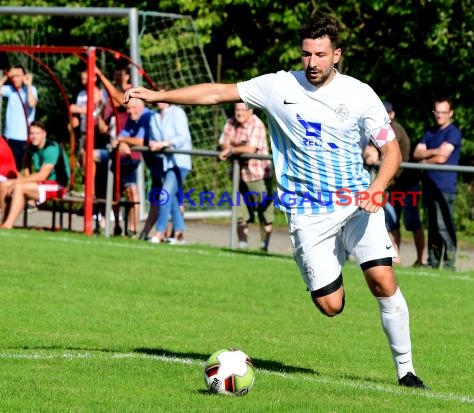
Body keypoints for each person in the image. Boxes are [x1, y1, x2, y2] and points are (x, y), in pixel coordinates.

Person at [124, 14, 428, 389]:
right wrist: (158, 96)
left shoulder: (360, 94)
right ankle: (330, 269)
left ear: (337, 55)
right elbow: (217, 92)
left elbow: (392, 150)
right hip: (306, 213)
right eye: (306, 54)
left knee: (382, 279)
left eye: (320, 54)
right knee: (331, 306)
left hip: (356, 204)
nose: (312, 63)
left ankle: (407, 371)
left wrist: (377, 187)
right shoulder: (277, 86)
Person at [363, 101, 425, 266]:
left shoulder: (393, 129)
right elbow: (369, 152)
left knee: (412, 223)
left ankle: (421, 259)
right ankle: (395, 256)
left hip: (407, 183)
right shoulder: (379, 129)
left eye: (387, 113)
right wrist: (371, 153)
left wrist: (374, 153)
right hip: (394, 185)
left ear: (392, 114)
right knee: (391, 222)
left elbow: (383, 151)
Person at [413, 97, 462, 271]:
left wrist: (426, 159)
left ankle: (449, 264)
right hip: (428, 186)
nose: (439, 116)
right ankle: (433, 262)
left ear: (450, 113)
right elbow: (417, 153)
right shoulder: (430, 132)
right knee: (432, 227)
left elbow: (443, 158)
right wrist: (433, 152)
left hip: (445, 187)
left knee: (444, 225)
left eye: (443, 112)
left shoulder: (453, 132)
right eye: (437, 112)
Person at [218, 102, 273, 251]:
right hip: (238, 174)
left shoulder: (257, 124)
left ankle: (264, 247)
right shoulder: (230, 122)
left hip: (258, 174)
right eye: (237, 109)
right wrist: (234, 148)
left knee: (264, 212)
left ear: (251, 111)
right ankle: (242, 246)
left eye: (243, 110)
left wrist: (231, 149)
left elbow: (250, 149)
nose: (239, 113)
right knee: (240, 212)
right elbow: (222, 143)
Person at [0, 121, 69, 229]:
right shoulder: (31, 147)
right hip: (41, 183)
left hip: (57, 184)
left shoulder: (51, 148)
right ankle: (3, 220)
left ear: (44, 134)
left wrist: (18, 181)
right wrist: (23, 177)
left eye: (37, 133)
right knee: (4, 185)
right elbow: (26, 164)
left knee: (18, 187)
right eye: (31, 133)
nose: (34, 136)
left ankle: (8, 225)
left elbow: (42, 176)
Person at [147, 99, 192, 244]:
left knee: (164, 194)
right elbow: (154, 137)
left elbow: (182, 137)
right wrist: (153, 143)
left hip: (179, 161)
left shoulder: (177, 113)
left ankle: (159, 232)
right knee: (171, 199)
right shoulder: (154, 116)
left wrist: (164, 143)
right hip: (166, 162)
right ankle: (179, 234)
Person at [111, 97, 155, 237]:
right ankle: (137, 230)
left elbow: (141, 141)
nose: (129, 111)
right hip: (146, 161)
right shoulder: (132, 118)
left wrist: (123, 141)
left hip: (161, 161)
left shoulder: (148, 116)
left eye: (132, 108)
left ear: (140, 107)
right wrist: (121, 142)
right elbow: (121, 136)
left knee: (169, 197)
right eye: (127, 108)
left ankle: (173, 233)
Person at [0, 65, 39, 171]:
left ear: (24, 76)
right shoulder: (10, 90)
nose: (14, 78)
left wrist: (29, 85)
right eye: (13, 76)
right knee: (5, 168)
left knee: (18, 168)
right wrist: (6, 77)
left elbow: (31, 103)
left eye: (17, 76)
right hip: (8, 136)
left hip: (22, 138)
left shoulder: (30, 90)